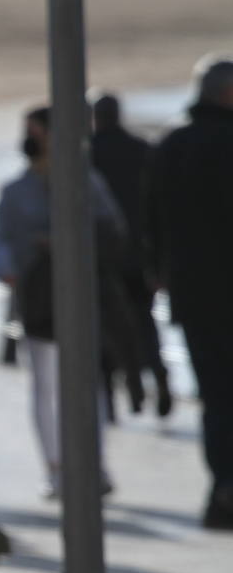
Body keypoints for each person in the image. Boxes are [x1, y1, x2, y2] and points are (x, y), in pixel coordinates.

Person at [0, 106, 127, 498]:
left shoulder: (85, 182)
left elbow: (112, 227)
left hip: (82, 295)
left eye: (36, 131)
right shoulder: (15, 191)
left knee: (88, 381)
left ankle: (93, 462)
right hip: (37, 298)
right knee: (45, 383)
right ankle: (55, 467)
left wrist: (70, 241)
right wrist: (8, 269)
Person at [149, 55, 233, 530]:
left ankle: (222, 487)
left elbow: (150, 219)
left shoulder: (171, 142)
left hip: (192, 295)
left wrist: (158, 273)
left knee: (215, 396)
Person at [90, 91, 172, 421]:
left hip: (102, 258)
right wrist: (159, 261)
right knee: (144, 322)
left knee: (104, 327)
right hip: (139, 257)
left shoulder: (87, 153)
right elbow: (160, 209)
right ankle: (160, 378)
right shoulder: (143, 150)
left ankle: (112, 395)